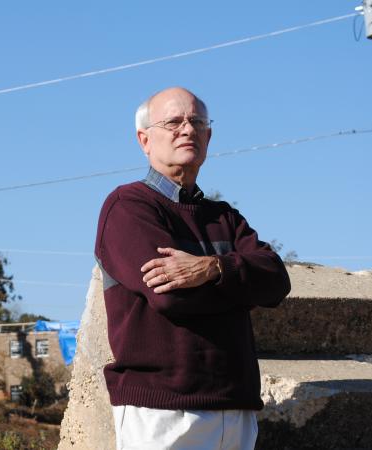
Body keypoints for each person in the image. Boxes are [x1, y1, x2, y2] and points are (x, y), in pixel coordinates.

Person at [94, 87, 291, 450]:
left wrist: (214, 268)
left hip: (236, 408)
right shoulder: (128, 207)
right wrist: (241, 286)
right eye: (173, 121)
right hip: (163, 412)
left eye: (197, 122)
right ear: (144, 140)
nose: (187, 129)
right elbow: (169, 298)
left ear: (209, 136)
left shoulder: (225, 217)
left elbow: (276, 281)